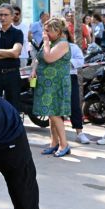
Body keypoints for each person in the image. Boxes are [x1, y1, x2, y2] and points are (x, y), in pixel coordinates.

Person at [30, 17, 72, 157]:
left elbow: (48, 58)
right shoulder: (51, 42)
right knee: (50, 114)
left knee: (55, 114)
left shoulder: (62, 43)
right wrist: (34, 70)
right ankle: (54, 143)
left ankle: (64, 144)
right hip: (46, 84)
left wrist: (46, 42)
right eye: (44, 30)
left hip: (57, 84)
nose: (45, 33)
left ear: (58, 31)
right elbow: (38, 57)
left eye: (48, 31)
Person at [62, 28, 91, 144]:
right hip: (55, 79)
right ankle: (58, 136)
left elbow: (80, 60)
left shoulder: (73, 47)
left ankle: (79, 132)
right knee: (56, 108)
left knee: (74, 104)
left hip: (70, 77)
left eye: (63, 34)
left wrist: (68, 62)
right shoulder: (50, 47)